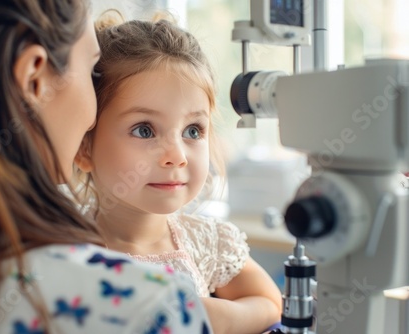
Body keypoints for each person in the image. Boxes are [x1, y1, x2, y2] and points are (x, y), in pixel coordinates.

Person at [0, 1, 213, 333]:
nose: (93, 116)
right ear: (34, 79)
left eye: (194, 131)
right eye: (91, 68)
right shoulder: (151, 306)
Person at [75, 12, 283, 334]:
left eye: (193, 130)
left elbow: (268, 302)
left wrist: (215, 316)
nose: (177, 156)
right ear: (85, 147)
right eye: (144, 130)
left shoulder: (208, 242)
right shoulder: (65, 249)